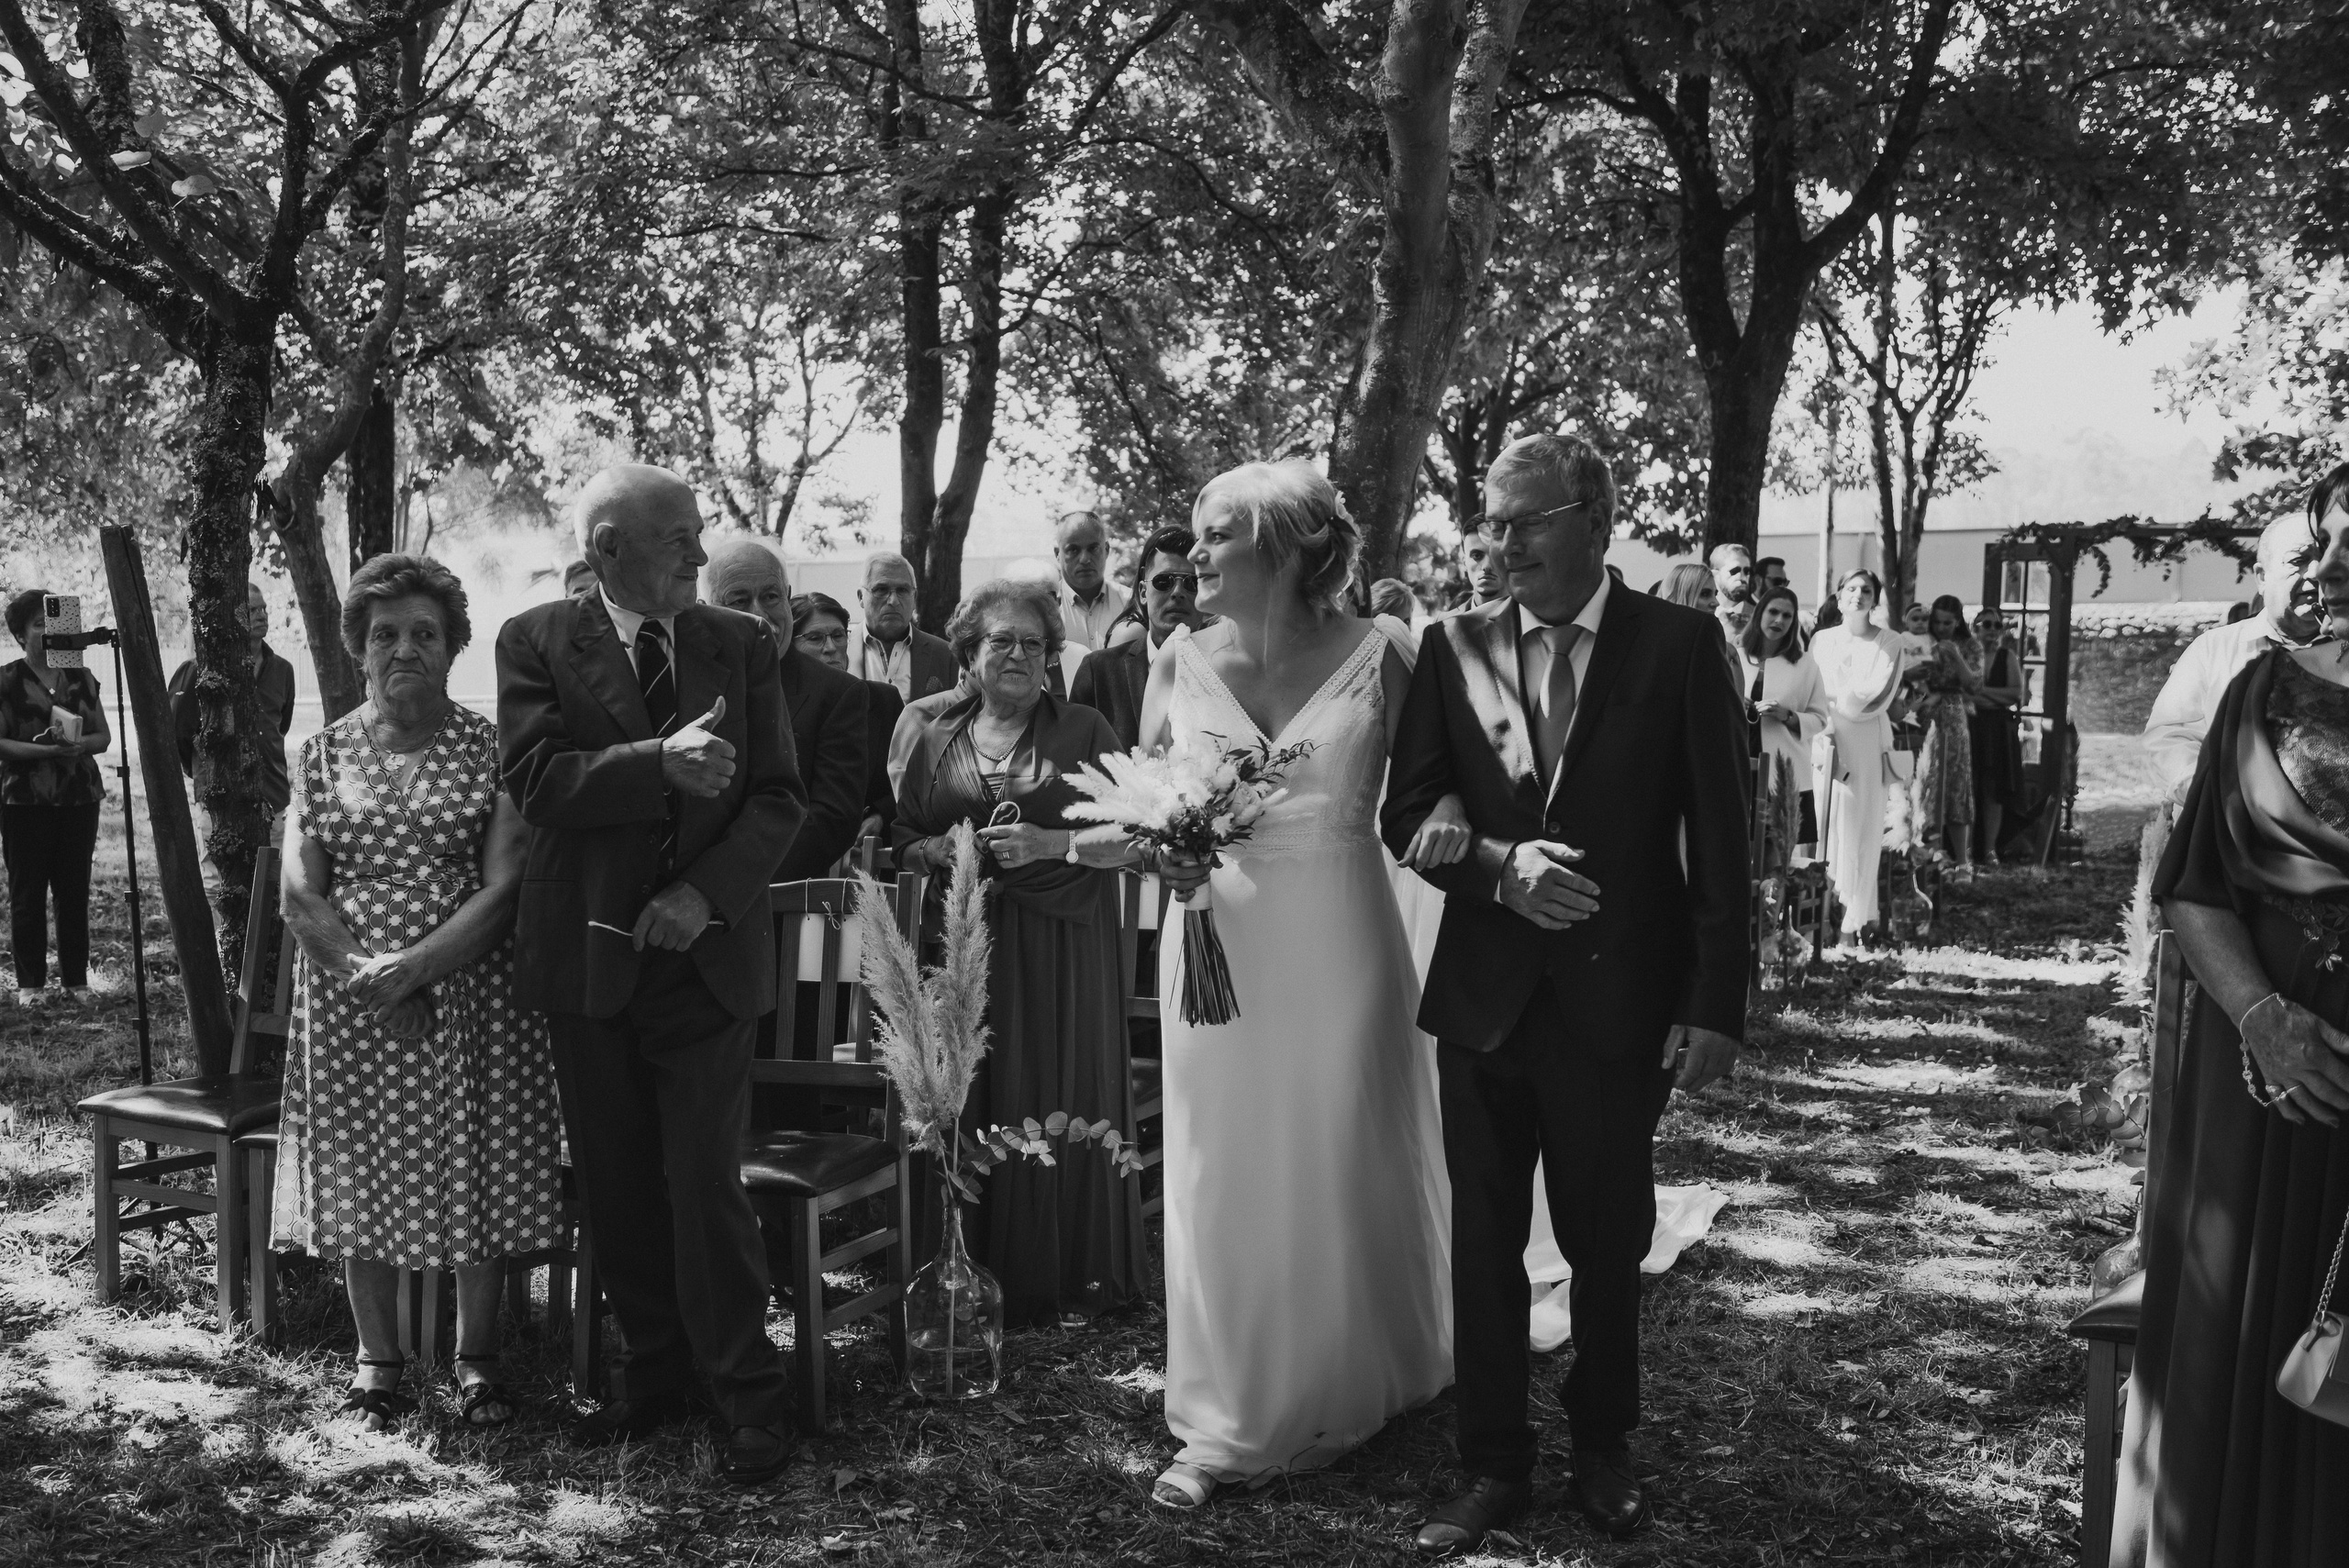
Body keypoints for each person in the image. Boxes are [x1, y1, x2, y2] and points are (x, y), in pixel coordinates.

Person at [1386, 434, 1748, 1551]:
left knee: (1607, 1233)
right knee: (1485, 1238)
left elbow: (1724, 837)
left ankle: (1603, 1444)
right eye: (1491, 523)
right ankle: (1492, 1462)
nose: (1502, 543)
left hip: (1619, 1001)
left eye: (1526, 520)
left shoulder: (1681, 646)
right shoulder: (1450, 646)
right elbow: (1409, 812)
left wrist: (1714, 1003)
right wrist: (1495, 863)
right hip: (1484, 997)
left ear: (1595, 517)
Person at [1136, 460, 1451, 1510]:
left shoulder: (1383, 652)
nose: (1193, 555)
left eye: (1216, 534)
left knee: (1337, 1137)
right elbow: (1142, 800)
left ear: (1281, 543)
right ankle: (1227, 1409)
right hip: (1214, 942)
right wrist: (1162, 854)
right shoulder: (1175, 655)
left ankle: (1357, 1363)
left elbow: (1436, 791)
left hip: (1343, 933)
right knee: (1221, 1154)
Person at [495, 463, 805, 1485]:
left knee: (706, 1181)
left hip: (708, 958)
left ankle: (749, 1395)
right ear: (607, 552)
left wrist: (703, 895)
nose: (700, 552)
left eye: (698, 532)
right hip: (588, 952)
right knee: (618, 1178)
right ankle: (655, 1376)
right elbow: (538, 782)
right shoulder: (534, 638)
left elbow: (776, 798)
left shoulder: (741, 643)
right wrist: (652, 761)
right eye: (678, 536)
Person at [273, 554, 563, 1432]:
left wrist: (419, 968)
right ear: (359, 647)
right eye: (386, 633)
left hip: (471, 991)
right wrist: (370, 976)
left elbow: (504, 883)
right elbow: (299, 890)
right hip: (350, 999)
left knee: (472, 1158)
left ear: (452, 648)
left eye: (424, 634)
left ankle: (479, 1361)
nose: (405, 648)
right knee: (363, 1163)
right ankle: (378, 1363)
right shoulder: (321, 753)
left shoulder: (494, 749)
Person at [2115, 488, 2349, 1564]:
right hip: (2264, 1077)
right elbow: (2192, 880)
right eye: (2328, 538)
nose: (2336, 564)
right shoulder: (2259, 685)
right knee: (2246, 1324)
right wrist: (2262, 1017)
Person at [887, 578, 1148, 1327]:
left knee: (1054, 1083)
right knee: (969, 1091)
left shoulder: (1086, 728)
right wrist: (935, 846)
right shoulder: (934, 733)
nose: (1019, 654)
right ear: (967, 652)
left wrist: (1052, 842)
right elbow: (901, 833)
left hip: (1061, 944)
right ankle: (963, 1264)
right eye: (1001, 640)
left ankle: (1062, 1274)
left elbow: (1133, 835)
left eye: (1035, 643)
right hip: (963, 942)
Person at [2143, 490, 2339, 795]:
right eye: (2299, 560)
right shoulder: (2213, 651)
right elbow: (2171, 737)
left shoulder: (2344, 653)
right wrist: (2217, 799)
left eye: (2322, 558)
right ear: (2261, 577)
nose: (2315, 572)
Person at [705, 539, 868, 879]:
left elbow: (831, 822)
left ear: (788, 594)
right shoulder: (687, 679)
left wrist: (719, 885)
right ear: (706, 607)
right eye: (739, 599)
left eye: (770, 596)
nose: (759, 615)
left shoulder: (838, 694)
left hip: (781, 906)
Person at [1, 589, 113, 991]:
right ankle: (30, 984)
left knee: (73, 891)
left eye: (53, 622)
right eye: (38, 624)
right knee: (27, 894)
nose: (47, 630)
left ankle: (75, 982)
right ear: (20, 635)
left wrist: (79, 746)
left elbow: (103, 736)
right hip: (24, 802)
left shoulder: (81, 676)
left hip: (79, 798)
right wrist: (42, 750)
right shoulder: (6, 680)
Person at [168, 582, 300, 890]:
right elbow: (177, 735)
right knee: (219, 885)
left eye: (264, 608)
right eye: (252, 610)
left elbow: (280, 727)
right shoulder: (196, 670)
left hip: (273, 798)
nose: (262, 615)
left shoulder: (283, 670)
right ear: (231, 616)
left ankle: (264, 941)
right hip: (219, 801)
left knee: (271, 885)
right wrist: (204, 774)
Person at [1810, 570, 1907, 945]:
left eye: (1866, 590)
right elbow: (1811, 687)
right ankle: (1824, 919)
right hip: (1826, 736)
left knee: (1863, 826)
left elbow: (1874, 696)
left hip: (1867, 741)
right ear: (1838, 596)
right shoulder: (1821, 639)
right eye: (1851, 588)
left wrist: (1834, 697)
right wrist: (1827, 709)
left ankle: (1855, 923)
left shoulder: (1891, 642)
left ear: (1875, 599)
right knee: (1827, 823)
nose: (1858, 595)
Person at [1070, 527, 1204, 751]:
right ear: (1143, 592)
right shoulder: (1099, 672)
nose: (1177, 592)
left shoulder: (1229, 671)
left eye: (1191, 583)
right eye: (1164, 581)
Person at [795, 591, 901, 851]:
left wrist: (879, 817)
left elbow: (909, 784)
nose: (830, 647)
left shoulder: (883, 700)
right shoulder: (777, 705)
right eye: (816, 638)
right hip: (794, 856)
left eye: (838, 635)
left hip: (866, 862)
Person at [1742, 584, 1831, 844]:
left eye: (1787, 616)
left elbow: (1820, 718)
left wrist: (1787, 715)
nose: (1779, 620)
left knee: (1778, 851)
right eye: (1773, 612)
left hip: (1783, 765)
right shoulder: (1735, 656)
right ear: (1759, 613)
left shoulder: (1804, 665)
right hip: (1738, 761)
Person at [1914, 595, 1982, 878]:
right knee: (1924, 782)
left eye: (1948, 623)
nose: (1941, 628)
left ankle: (1963, 861)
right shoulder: (1919, 640)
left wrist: (1954, 654)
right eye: (1937, 622)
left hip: (1953, 716)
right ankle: (1926, 855)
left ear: (1958, 621)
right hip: (1922, 714)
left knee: (1955, 782)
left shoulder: (1969, 645)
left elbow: (1975, 686)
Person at [846, 552, 958, 702]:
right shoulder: (839, 650)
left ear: (914, 598)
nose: (893, 601)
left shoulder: (945, 655)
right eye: (881, 590)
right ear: (861, 597)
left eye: (902, 590)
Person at [1969, 607, 2026, 863]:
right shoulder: (1967, 657)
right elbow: (1962, 693)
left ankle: (1990, 849)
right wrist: (1993, 695)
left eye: (1997, 626)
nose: (1992, 630)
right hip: (1970, 726)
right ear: (1975, 628)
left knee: (1994, 789)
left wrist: (1982, 692)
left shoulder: (2008, 657)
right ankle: (1967, 848)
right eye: (1986, 624)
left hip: (1998, 730)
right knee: (1968, 788)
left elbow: (2015, 694)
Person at [1661, 562, 1743, 697]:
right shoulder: (1656, 650)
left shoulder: (1727, 652)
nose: (1715, 602)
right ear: (1682, 596)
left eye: (1715, 594)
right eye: (1705, 594)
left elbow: (1736, 713)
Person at [1052, 509, 1129, 651]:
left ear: (1106, 550)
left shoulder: (1130, 604)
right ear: (1058, 554)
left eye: (1093, 548)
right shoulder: (1047, 609)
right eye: (1073, 550)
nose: (1085, 559)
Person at [1457, 528, 1507, 609]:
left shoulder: (1530, 616)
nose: (1486, 566)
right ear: (1464, 563)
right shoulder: (1445, 620)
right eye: (1477, 556)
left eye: (1496, 555)